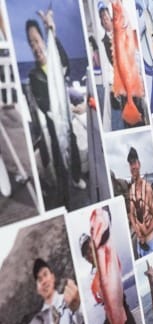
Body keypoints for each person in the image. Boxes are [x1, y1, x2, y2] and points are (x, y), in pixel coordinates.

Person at [24, 12, 88, 202]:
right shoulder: (34, 75)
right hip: (56, 123)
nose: (35, 47)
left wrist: (52, 31)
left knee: (72, 147)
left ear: (43, 40)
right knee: (60, 156)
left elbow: (66, 64)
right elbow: (43, 104)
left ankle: (76, 178)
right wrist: (59, 109)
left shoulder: (55, 63)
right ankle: (66, 190)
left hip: (65, 118)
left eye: (36, 40)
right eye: (31, 43)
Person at [126, 147, 153, 255]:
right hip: (139, 243)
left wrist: (145, 232)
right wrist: (138, 232)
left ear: (139, 164)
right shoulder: (131, 189)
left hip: (149, 242)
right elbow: (131, 214)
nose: (133, 167)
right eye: (130, 164)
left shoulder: (148, 188)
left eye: (134, 163)